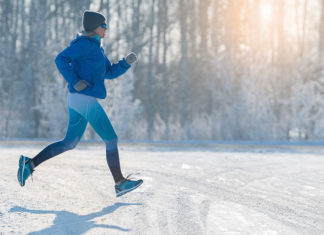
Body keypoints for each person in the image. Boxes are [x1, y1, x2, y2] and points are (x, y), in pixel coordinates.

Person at [17, 10, 143, 197]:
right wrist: (74, 79)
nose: (106, 28)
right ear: (95, 27)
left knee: (69, 143)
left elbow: (108, 72)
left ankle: (29, 164)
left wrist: (125, 63)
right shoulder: (84, 44)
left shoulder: (96, 48)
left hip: (79, 100)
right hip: (83, 99)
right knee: (111, 139)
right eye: (103, 25)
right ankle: (119, 183)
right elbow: (60, 59)